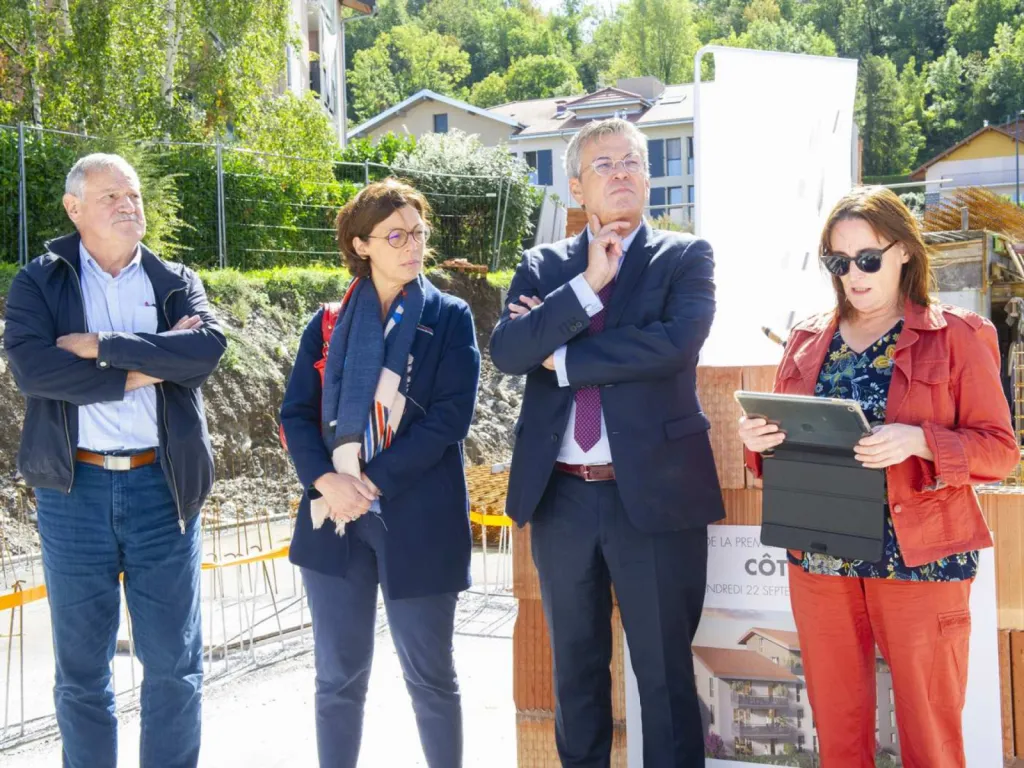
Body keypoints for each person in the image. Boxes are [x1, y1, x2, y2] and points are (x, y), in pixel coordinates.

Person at [739, 186, 1018, 768]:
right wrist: (759, 443)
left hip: (920, 560)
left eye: (868, 259)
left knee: (930, 735)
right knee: (838, 734)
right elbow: (785, 446)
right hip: (821, 558)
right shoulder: (806, 339)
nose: (853, 275)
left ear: (905, 252)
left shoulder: (958, 334)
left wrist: (921, 441)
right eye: (839, 263)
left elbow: (1000, 451)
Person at [490, 118, 724, 767]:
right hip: (562, 498)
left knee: (665, 675)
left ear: (647, 178)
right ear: (575, 186)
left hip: (654, 496)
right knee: (576, 672)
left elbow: (674, 344)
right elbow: (509, 351)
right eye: (604, 164)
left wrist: (562, 357)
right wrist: (586, 286)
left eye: (631, 162)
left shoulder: (685, 257)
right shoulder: (543, 266)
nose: (620, 173)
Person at [3, 153, 226, 768]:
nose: (129, 205)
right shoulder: (39, 282)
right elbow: (34, 370)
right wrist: (150, 366)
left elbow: (206, 351)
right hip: (73, 492)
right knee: (81, 673)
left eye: (134, 196)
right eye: (112, 197)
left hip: (164, 488)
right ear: (74, 209)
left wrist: (101, 346)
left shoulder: (173, 278)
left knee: (175, 666)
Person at [280, 178, 480, 768]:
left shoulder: (449, 317)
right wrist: (327, 482)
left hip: (416, 516)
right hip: (335, 519)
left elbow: (448, 420)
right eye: (395, 235)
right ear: (361, 245)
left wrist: (366, 485)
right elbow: (296, 413)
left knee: (430, 676)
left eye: (418, 232)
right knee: (337, 677)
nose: (412, 244)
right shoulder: (328, 322)